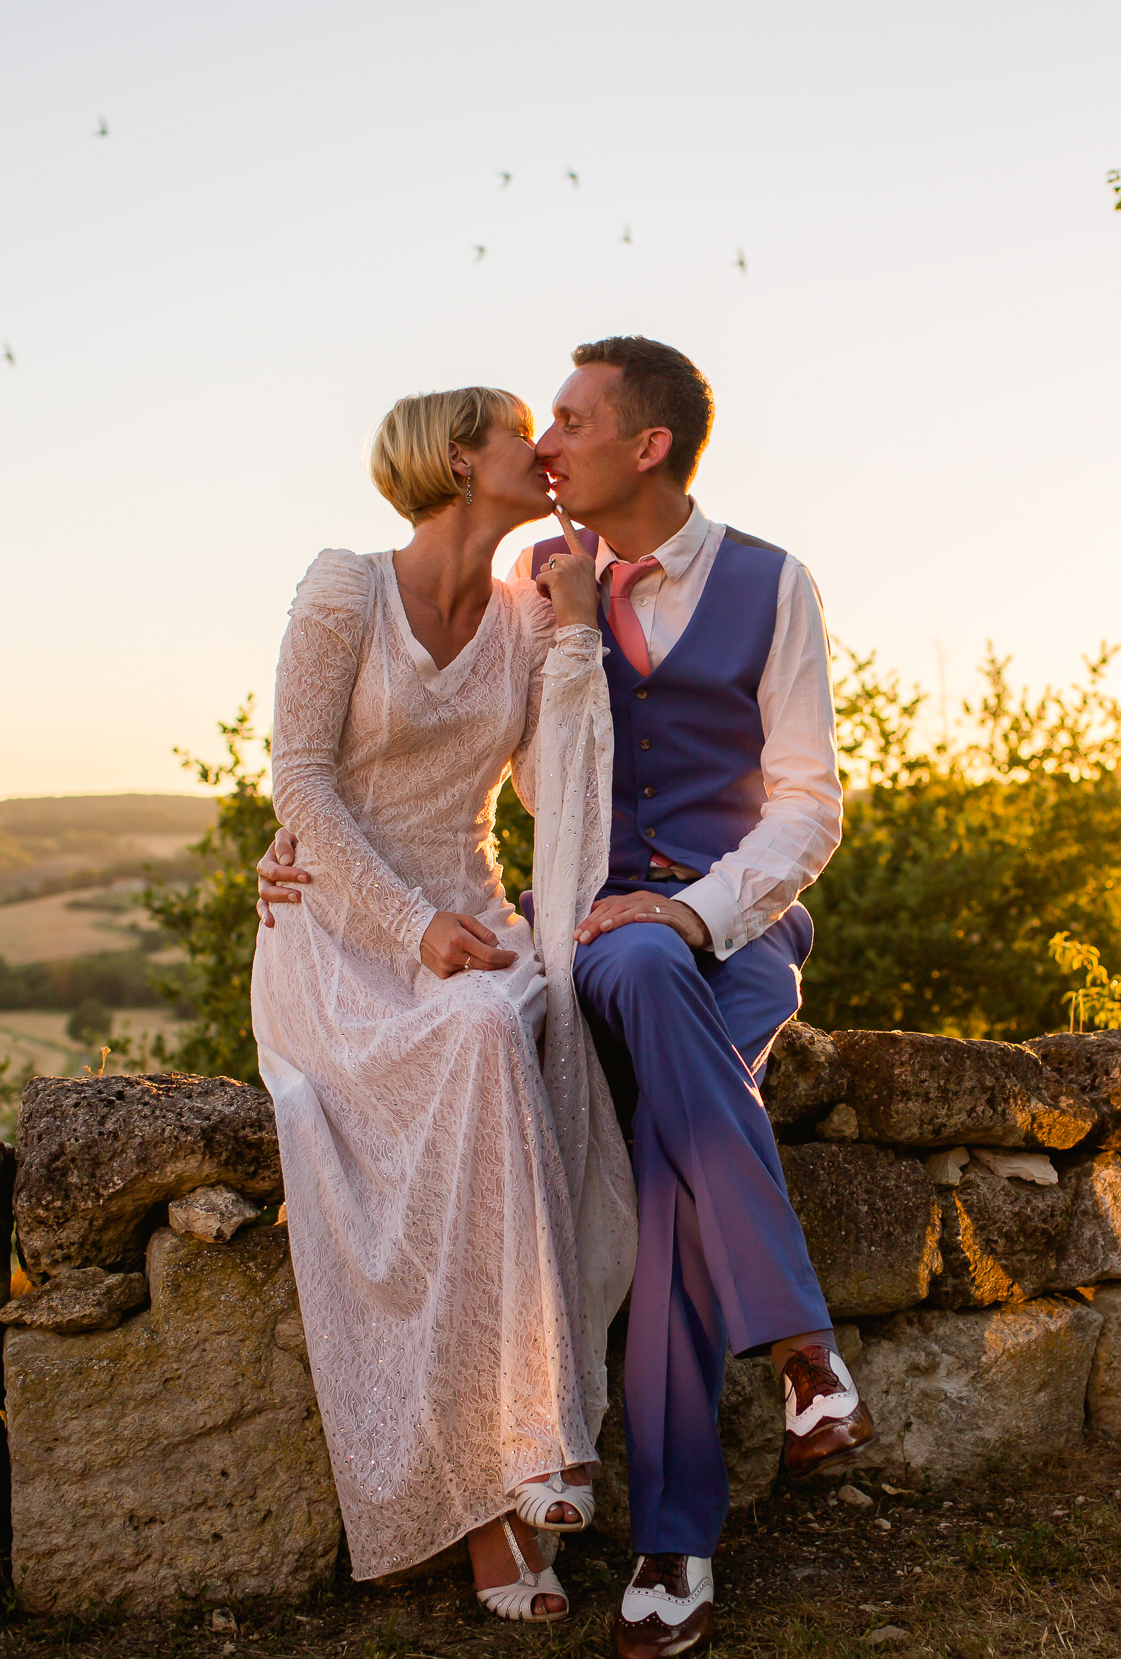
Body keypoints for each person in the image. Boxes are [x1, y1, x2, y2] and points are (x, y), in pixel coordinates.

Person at [263, 337, 874, 1658]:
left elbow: (811, 800)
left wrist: (701, 903)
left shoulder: (772, 586)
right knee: (642, 1038)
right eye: (533, 427)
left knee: (658, 1082)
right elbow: (533, 790)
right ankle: (775, 1389)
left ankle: (673, 1530)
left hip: (729, 933)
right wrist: (338, 870)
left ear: (641, 445)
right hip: (580, 931)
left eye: (573, 421)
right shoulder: (545, 594)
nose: (548, 445)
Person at [249, 385, 636, 1622]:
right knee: (477, 1033)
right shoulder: (342, 590)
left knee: (524, 1035)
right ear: (462, 459)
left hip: (474, 922)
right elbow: (298, 779)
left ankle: (529, 1463)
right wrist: (407, 927)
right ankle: (517, 1480)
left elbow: (559, 795)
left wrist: (576, 633)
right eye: (526, 431)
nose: (547, 450)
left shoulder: (529, 612)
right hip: (342, 938)